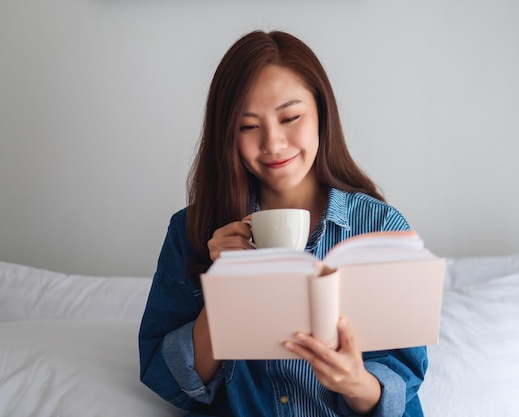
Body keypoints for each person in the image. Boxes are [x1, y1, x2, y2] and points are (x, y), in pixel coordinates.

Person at [138, 29, 428, 417]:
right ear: (227, 134)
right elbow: (168, 380)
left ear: (321, 113)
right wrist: (225, 289)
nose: (273, 143)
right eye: (248, 126)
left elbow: (404, 379)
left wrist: (353, 381)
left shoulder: (380, 227)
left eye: (290, 117)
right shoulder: (192, 231)